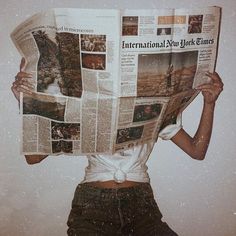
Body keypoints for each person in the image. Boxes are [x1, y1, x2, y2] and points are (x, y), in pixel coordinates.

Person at [12, 58, 223, 236]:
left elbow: (197, 151)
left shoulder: (156, 107)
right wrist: (27, 103)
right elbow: (33, 157)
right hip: (93, 208)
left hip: (141, 207)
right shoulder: (85, 106)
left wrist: (209, 103)